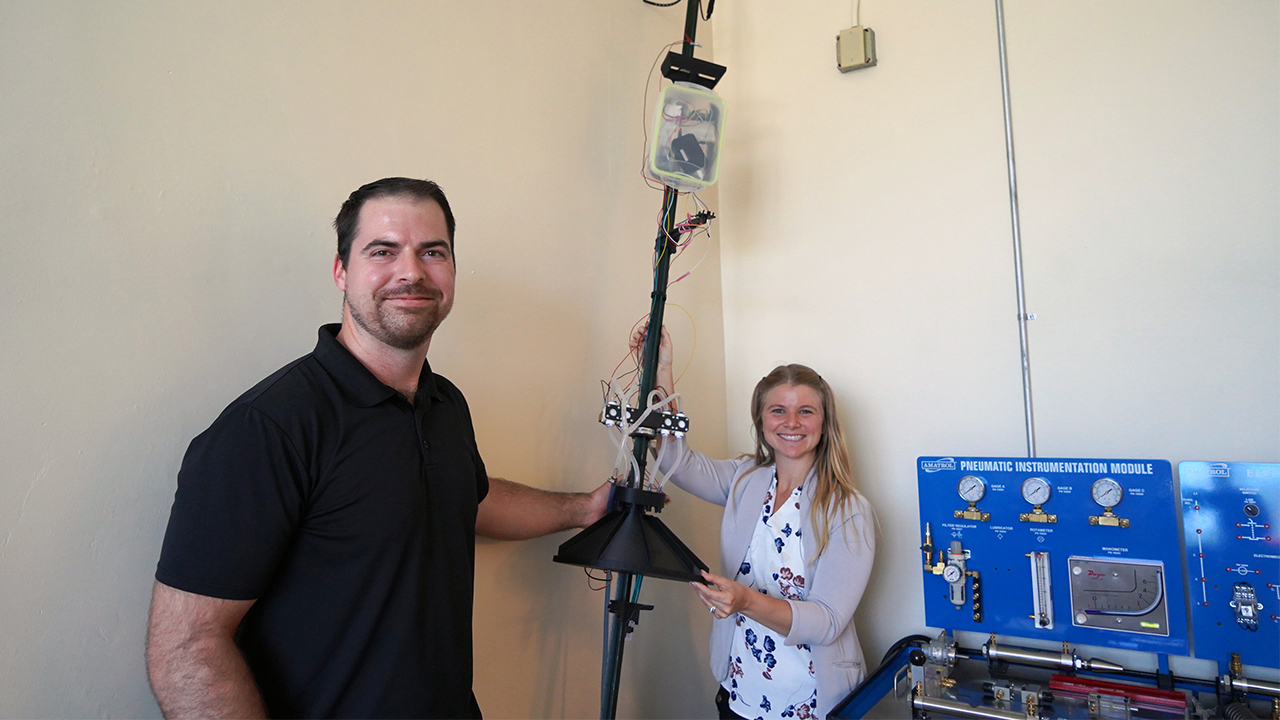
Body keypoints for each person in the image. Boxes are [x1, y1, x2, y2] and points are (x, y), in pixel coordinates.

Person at [146, 177, 610, 719]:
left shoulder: (445, 405)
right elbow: (186, 647)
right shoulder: (268, 428)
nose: (411, 271)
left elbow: (467, 498)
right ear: (341, 271)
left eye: (432, 252)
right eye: (383, 251)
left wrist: (585, 508)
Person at [634, 324, 876, 720]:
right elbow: (677, 461)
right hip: (739, 692)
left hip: (811, 704)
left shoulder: (847, 509)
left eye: (805, 411)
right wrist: (662, 371)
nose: (791, 422)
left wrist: (746, 601)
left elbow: (827, 622)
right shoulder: (745, 480)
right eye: (778, 410)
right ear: (761, 420)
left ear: (824, 422)